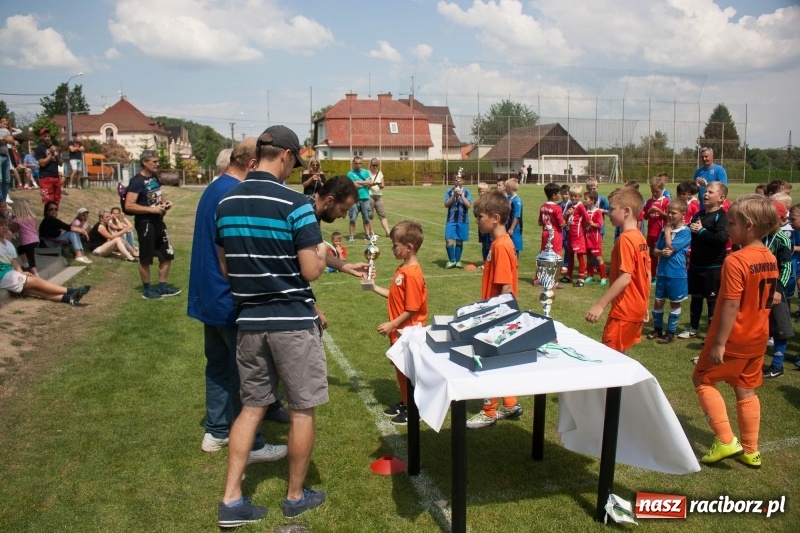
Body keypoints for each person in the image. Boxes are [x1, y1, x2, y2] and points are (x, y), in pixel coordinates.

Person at [214, 126, 327, 526]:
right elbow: (311, 270)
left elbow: (227, 266)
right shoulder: (294, 203)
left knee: (251, 408)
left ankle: (231, 499)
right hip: (292, 321)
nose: (295, 169)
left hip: (248, 321)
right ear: (284, 156)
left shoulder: (225, 203)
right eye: (295, 161)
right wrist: (324, 255)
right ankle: (295, 496)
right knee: (302, 408)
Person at [188, 139, 290, 463]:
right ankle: (255, 444)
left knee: (217, 366)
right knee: (248, 374)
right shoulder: (233, 194)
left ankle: (216, 431)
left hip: (208, 296)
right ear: (251, 165)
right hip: (229, 298)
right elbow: (234, 254)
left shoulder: (213, 188)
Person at [692, 195, 779, 469]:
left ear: (749, 225)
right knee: (746, 389)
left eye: (732, 223)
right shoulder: (769, 257)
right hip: (758, 337)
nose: (727, 228)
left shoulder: (736, 260)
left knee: (702, 379)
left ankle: (726, 439)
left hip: (735, 337)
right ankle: (751, 450)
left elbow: (730, 303)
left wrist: (718, 343)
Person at [466, 191, 523, 429]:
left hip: (497, 315)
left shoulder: (501, 246)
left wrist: (493, 320)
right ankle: (510, 403)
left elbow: (506, 288)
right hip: (496, 312)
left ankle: (489, 412)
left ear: (495, 218)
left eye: (480, 217)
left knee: (488, 362)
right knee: (497, 363)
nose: (477, 221)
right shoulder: (499, 243)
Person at [368, 220, 428, 426]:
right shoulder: (403, 269)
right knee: (400, 370)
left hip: (408, 333)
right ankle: (405, 401)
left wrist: (392, 324)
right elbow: (395, 297)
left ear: (409, 247)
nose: (393, 248)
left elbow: (412, 308)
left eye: (395, 245)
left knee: (409, 372)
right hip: (399, 332)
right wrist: (373, 287)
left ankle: (415, 408)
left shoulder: (412, 274)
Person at [585, 186, 651, 353]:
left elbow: (625, 277)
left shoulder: (626, 239)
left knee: (610, 358)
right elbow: (646, 275)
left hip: (624, 310)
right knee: (620, 357)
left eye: (612, 209)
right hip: (637, 308)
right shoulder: (640, 238)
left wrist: (600, 305)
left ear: (626, 211)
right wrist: (644, 304)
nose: (608, 213)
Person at [125, 150, 180, 300]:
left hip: (158, 221)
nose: (157, 164)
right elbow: (128, 206)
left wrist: (164, 204)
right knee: (146, 258)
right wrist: (151, 209)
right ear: (144, 162)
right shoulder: (136, 182)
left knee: (167, 254)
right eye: (154, 161)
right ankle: (147, 290)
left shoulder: (154, 177)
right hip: (145, 224)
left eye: (157, 161)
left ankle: (162, 287)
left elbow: (158, 194)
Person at [0, 215, 90, 305]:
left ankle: (68, 298)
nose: (4, 227)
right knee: (36, 281)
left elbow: (13, 261)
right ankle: (72, 291)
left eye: (6, 225)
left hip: (9, 273)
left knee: (33, 289)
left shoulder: (8, 244)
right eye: (1, 225)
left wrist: (21, 272)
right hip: (3, 275)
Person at [678, 182, 729, 340]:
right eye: (705, 191)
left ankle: (711, 334)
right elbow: (693, 235)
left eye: (710, 192)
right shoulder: (699, 214)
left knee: (712, 300)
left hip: (712, 266)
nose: (705, 194)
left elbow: (721, 238)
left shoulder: (722, 216)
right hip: (695, 264)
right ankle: (694, 329)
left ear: (721, 198)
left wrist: (701, 230)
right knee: (696, 297)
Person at [646, 198, 690, 344]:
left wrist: (667, 232)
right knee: (658, 301)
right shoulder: (665, 230)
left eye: (674, 213)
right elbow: (656, 251)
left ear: (683, 214)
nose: (670, 216)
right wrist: (660, 252)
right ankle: (657, 329)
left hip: (677, 274)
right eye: (668, 212)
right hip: (662, 272)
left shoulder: (685, 231)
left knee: (674, 303)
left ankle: (670, 333)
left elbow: (670, 249)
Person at [761, 201, 794, 379]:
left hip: (776, 290)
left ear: (780, 219)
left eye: (769, 217)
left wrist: (778, 289)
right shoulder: (761, 235)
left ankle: (777, 365)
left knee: (780, 326)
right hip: (760, 288)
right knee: (763, 325)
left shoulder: (783, 239)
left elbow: (787, 267)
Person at [561, 185, 590, 286]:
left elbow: (587, 219)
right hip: (570, 235)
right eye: (572, 195)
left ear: (580, 196)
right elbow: (563, 219)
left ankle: (581, 278)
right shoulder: (569, 206)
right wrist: (567, 214)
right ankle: (569, 275)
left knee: (580, 256)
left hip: (578, 236)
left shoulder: (580, 206)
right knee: (570, 255)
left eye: (576, 196)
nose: (573, 198)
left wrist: (584, 230)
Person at [644, 175, 670, 281]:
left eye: (657, 191)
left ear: (662, 189)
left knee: (662, 253)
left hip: (661, 232)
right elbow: (644, 217)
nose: (654, 193)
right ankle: (653, 274)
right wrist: (649, 212)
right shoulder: (649, 202)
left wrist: (660, 212)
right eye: (653, 191)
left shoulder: (666, 201)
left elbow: (669, 217)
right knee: (651, 254)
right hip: (651, 232)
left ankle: (662, 274)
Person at [443, 172, 472, 269]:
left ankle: (458, 261)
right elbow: (446, 204)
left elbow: (468, 205)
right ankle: (452, 260)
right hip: (451, 219)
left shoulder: (467, 192)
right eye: (456, 180)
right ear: (453, 181)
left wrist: (461, 196)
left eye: (460, 180)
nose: (458, 181)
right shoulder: (449, 191)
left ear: (463, 181)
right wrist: (454, 196)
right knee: (448, 239)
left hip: (462, 219)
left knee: (459, 240)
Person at [583, 190, 608, 286]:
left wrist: (592, 224)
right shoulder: (585, 211)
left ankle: (603, 277)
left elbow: (599, 224)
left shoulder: (597, 212)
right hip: (587, 238)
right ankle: (590, 275)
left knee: (598, 257)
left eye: (586, 199)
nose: (584, 200)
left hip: (595, 239)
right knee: (588, 257)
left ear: (592, 200)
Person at [10, 198, 40, 276]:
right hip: (35, 240)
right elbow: (36, 229)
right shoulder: (33, 217)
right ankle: (26, 266)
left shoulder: (17, 220)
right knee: (20, 249)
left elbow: (14, 230)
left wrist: (11, 224)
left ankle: (36, 275)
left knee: (31, 260)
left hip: (27, 242)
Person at [347, 156, 373, 242]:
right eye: (356, 163)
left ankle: (367, 235)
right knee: (352, 218)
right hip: (354, 199)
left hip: (365, 198)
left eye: (360, 163)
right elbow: (352, 185)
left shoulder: (366, 172)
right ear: (354, 163)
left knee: (366, 218)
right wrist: (364, 183)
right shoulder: (350, 173)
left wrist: (358, 182)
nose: (358, 165)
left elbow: (370, 182)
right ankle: (351, 236)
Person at [34, 128, 63, 205]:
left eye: (48, 136)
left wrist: (56, 155)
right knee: (47, 201)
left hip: (55, 177)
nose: (47, 138)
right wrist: (51, 154)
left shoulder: (54, 148)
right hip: (45, 177)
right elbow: (42, 163)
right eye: (45, 136)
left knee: (56, 201)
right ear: (41, 137)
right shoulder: (39, 149)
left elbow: (61, 163)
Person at [694, 147, 728, 211]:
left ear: (712, 156)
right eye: (702, 157)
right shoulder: (698, 172)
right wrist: (696, 186)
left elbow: (723, 188)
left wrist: (706, 185)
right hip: (702, 206)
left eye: (706, 156)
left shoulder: (719, 170)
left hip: (715, 207)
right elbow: (694, 191)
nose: (704, 159)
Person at [368, 158, 391, 237]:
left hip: (378, 195)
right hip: (369, 195)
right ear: (370, 165)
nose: (375, 167)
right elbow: (365, 185)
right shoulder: (367, 173)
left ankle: (388, 232)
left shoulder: (380, 173)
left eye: (376, 165)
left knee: (382, 214)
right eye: (373, 165)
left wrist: (381, 185)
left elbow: (383, 185)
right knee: (370, 215)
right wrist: (372, 185)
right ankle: (372, 233)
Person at [505, 178, 523, 258]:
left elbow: (517, 216)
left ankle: (515, 264)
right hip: (507, 226)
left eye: (506, 187)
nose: (505, 189)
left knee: (514, 247)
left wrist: (512, 228)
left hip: (514, 229)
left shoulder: (517, 200)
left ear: (509, 188)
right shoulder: (509, 198)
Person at [475, 182, 491, 264]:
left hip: (488, 227)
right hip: (481, 227)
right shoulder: (477, 202)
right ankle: (484, 261)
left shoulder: (490, 202)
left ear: (487, 191)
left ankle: (489, 261)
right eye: (480, 191)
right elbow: (475, 212)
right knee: (483, 243)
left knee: (489, 244)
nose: (481, 193)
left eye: (483, 191)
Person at [0, 118, 12, 203]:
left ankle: (3, 201)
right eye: (4, 123)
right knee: (0, 180)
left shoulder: (7, 131)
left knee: (7, 180)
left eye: (7, 124)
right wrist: (6, 140)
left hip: (6, 156)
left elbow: (12, 141)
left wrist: (3, 139)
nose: (5, 125)